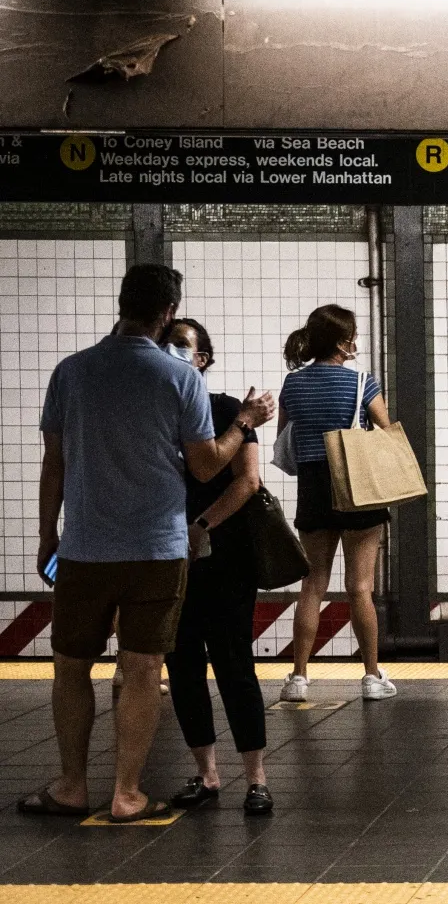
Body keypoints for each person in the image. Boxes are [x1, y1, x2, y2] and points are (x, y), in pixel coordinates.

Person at [18, 264, 272, 822]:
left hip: (84, 546)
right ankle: (128, 793)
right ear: (167, 313)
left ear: (121, 302)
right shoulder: (178, 378)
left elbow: (53, 464)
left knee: (70, 666)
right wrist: (244, 424)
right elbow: (206, 466)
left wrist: (46, 538)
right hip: (158, 549)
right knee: (142, 669)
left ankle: (72, 785)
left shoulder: (71, 372)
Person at [160, 319, 274, 816]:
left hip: (225, 555)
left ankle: (257, 779)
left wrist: (200, 527)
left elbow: (247, 482)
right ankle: (207, 774)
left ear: (204, 359)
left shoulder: (226, 410)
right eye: (167, 344)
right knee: (182, 665)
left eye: (184, 346)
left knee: (233, 663)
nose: (173, 351)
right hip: (167, 556)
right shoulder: (153, 416)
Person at [275, 304, 396, 703]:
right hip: (357, 488)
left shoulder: (292, 384)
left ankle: (298, 677)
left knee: (312, 585)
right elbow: (386, 429)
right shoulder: (362, 382)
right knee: (360, 588)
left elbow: (285, 438)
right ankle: (372, 677)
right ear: (345, 341)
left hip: (313, 487)